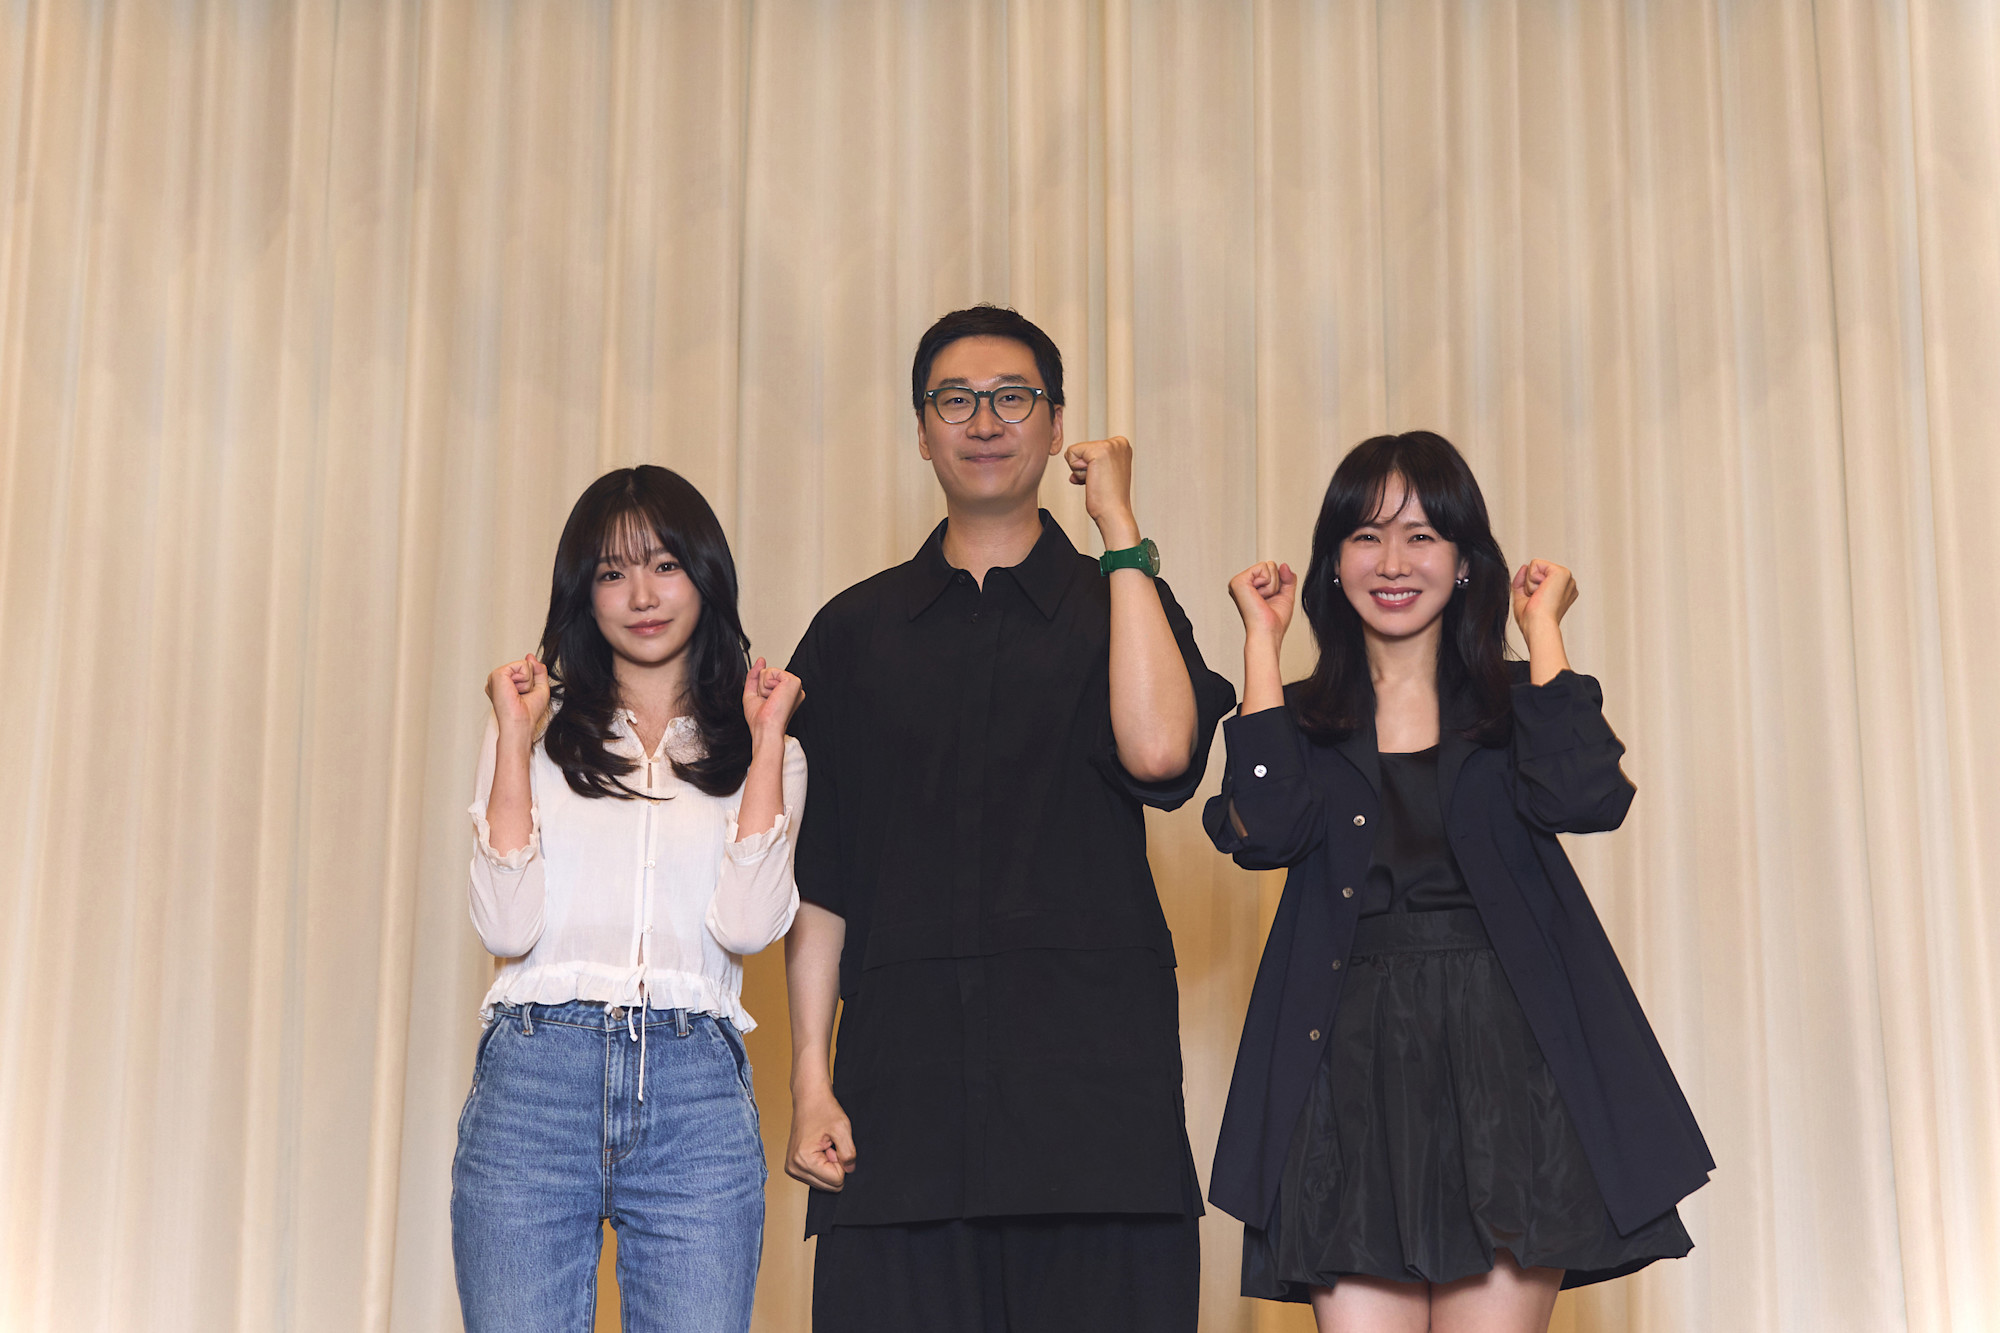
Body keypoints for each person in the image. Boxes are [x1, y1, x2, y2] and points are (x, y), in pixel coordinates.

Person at [781, 305, 1237, 1333]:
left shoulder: (1120, 605)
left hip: (1095, 1129)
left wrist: (1120, 529)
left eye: (1012, 397)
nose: (984, 420)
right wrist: (811, 1079)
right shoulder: (852, 632)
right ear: (919, 429)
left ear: (1054, 421)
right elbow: (820, 881)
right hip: (899, 1127)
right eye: (955, 399)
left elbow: (1161, 755)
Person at [1205, 432, 1711, 1332]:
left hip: (1508, 1066)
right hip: (1346, 1064)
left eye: (1422, 535)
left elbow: (1585, 797)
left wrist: (1544, 631)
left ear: (1468, 560)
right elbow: (1266, 830)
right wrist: (1260, 644)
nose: (1392, 561)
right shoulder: (1302, 721)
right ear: (1332, 560)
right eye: (1365, 535)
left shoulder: (1517, 704)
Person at [451, 465, 805, 1333]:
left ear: (705, 576)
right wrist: (512, 738)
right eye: (611, 573)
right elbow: (505, 923)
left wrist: (766, 745)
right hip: (535, 1080)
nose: (641, 595)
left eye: (664, 565)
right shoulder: (534, 741)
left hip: (695, 1089)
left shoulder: (768, 756)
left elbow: (750, 927)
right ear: (584, 594)